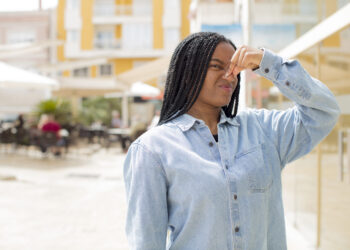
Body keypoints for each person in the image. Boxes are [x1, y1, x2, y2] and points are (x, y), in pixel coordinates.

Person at [123, 32, 340, 250]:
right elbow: (146, 241)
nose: (230, 76)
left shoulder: (264, 130)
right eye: (217, 66)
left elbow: (324, 111)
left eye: (235, 68)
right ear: (188, 74)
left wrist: (268, 63)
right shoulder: (153, 150)